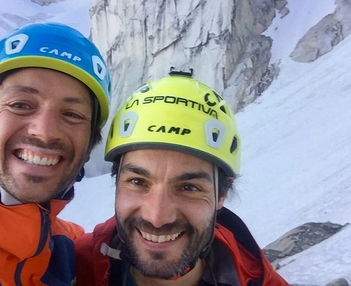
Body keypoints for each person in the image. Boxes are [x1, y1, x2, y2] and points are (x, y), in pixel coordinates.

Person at [75, 68, 289, 286]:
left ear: (221, 195)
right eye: (138, 182)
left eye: (189, 187)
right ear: (117, 182)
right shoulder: (69, 268)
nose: (157, 217)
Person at [0, 22, 111, 285]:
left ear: (89, 146)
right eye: (20, 105)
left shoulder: (69, 252)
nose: (45, 132)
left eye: (72, 114)